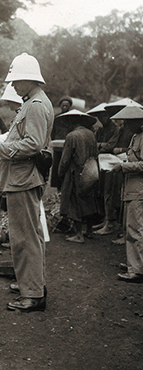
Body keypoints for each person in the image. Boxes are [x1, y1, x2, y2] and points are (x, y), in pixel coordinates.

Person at [0, 53, 54, 312]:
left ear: (28, 79)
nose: (13, 86)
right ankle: (32, 285)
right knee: (29, 235)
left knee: (24, 237)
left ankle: (32, 294)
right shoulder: (35, 102)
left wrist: (0, 148)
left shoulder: (34, 105)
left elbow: (33, 143)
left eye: (16, 81)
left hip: (23, 178)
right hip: (24, 177)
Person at [108, 106, 143, 283]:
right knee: (131, 226)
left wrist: (123, 166)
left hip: (139, 189)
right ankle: (135, 263)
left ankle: (137, 269)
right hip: (131, 187)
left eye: (130, 122)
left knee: (135, 229)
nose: (127, 126)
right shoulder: (136, 136)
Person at [57, 110, 100, 243]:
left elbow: (65, 159)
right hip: (90, 171)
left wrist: (60, 173)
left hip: (74, 173)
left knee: (74, 201)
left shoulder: (72, 136)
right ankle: (90, 231)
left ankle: (79, 234)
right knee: (88, 200)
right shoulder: (91, 134)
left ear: (72, 122)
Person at [86, 103, 121, 236]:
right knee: (100, 190)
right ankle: (106, 218)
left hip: (112, 163)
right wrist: (101, 146)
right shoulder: (100, 130)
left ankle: (111, 222)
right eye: (100, 117)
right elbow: (94, 145)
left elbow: (111, 146)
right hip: (100, 162)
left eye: (104, 116)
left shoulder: (116, 128)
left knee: (109, 192)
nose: (102, 119)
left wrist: (100, 146)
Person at [50, 96, 73, 190]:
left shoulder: (72, 117)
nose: (64, 107)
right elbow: (52, 131)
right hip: (58, 146)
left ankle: (67, 186)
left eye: (66, 106)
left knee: (67, 165)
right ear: (60, 106)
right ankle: (58, 187)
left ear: (69, 106)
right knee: (57, 165)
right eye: (63, 105)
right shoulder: (56, 118)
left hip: (68, 145)